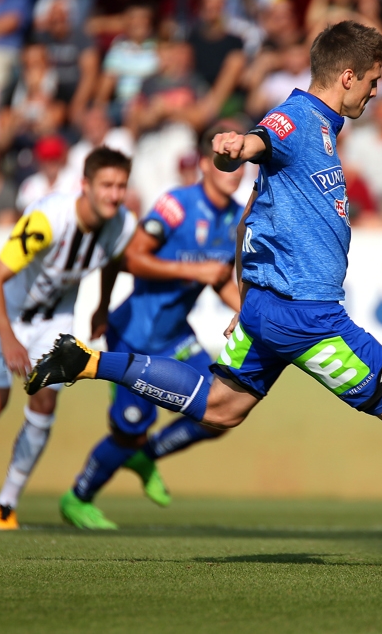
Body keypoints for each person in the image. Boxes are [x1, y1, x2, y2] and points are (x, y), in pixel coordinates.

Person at [26, 21, 382, 570]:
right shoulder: (297, 118)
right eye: (372, 81)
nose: (376, 91)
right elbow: (256, 140)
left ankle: (86, 362)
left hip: (269, 307)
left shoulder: (323, 129)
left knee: (221, 407)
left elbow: (250, 215)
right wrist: (234, 148)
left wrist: (246, 296)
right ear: (346, 77)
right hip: (308, 316)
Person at [0, 147, 136, 529]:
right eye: (107, 185)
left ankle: (6, 503)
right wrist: (8, 338)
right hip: (3, 312)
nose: (115, 195)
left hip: (54, 320)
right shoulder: (47, 219)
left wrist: (102, 305)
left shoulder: (121, 223)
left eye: (121, 186)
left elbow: (115, 258)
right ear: (85, 185)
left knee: (44, 403)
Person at [59, 127, 243, 529]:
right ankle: (78, 497)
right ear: (205, 165)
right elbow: (130, 259)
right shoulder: (177, 205)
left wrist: (247, 313)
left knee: (221, 411)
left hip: (177, 337)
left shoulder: (234, 217)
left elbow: (220, 279)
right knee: (127, 431)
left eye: (240, 164)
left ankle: (148, 456)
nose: (234, 170)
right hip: (135, 335)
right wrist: (104, 306)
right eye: (227, 162)